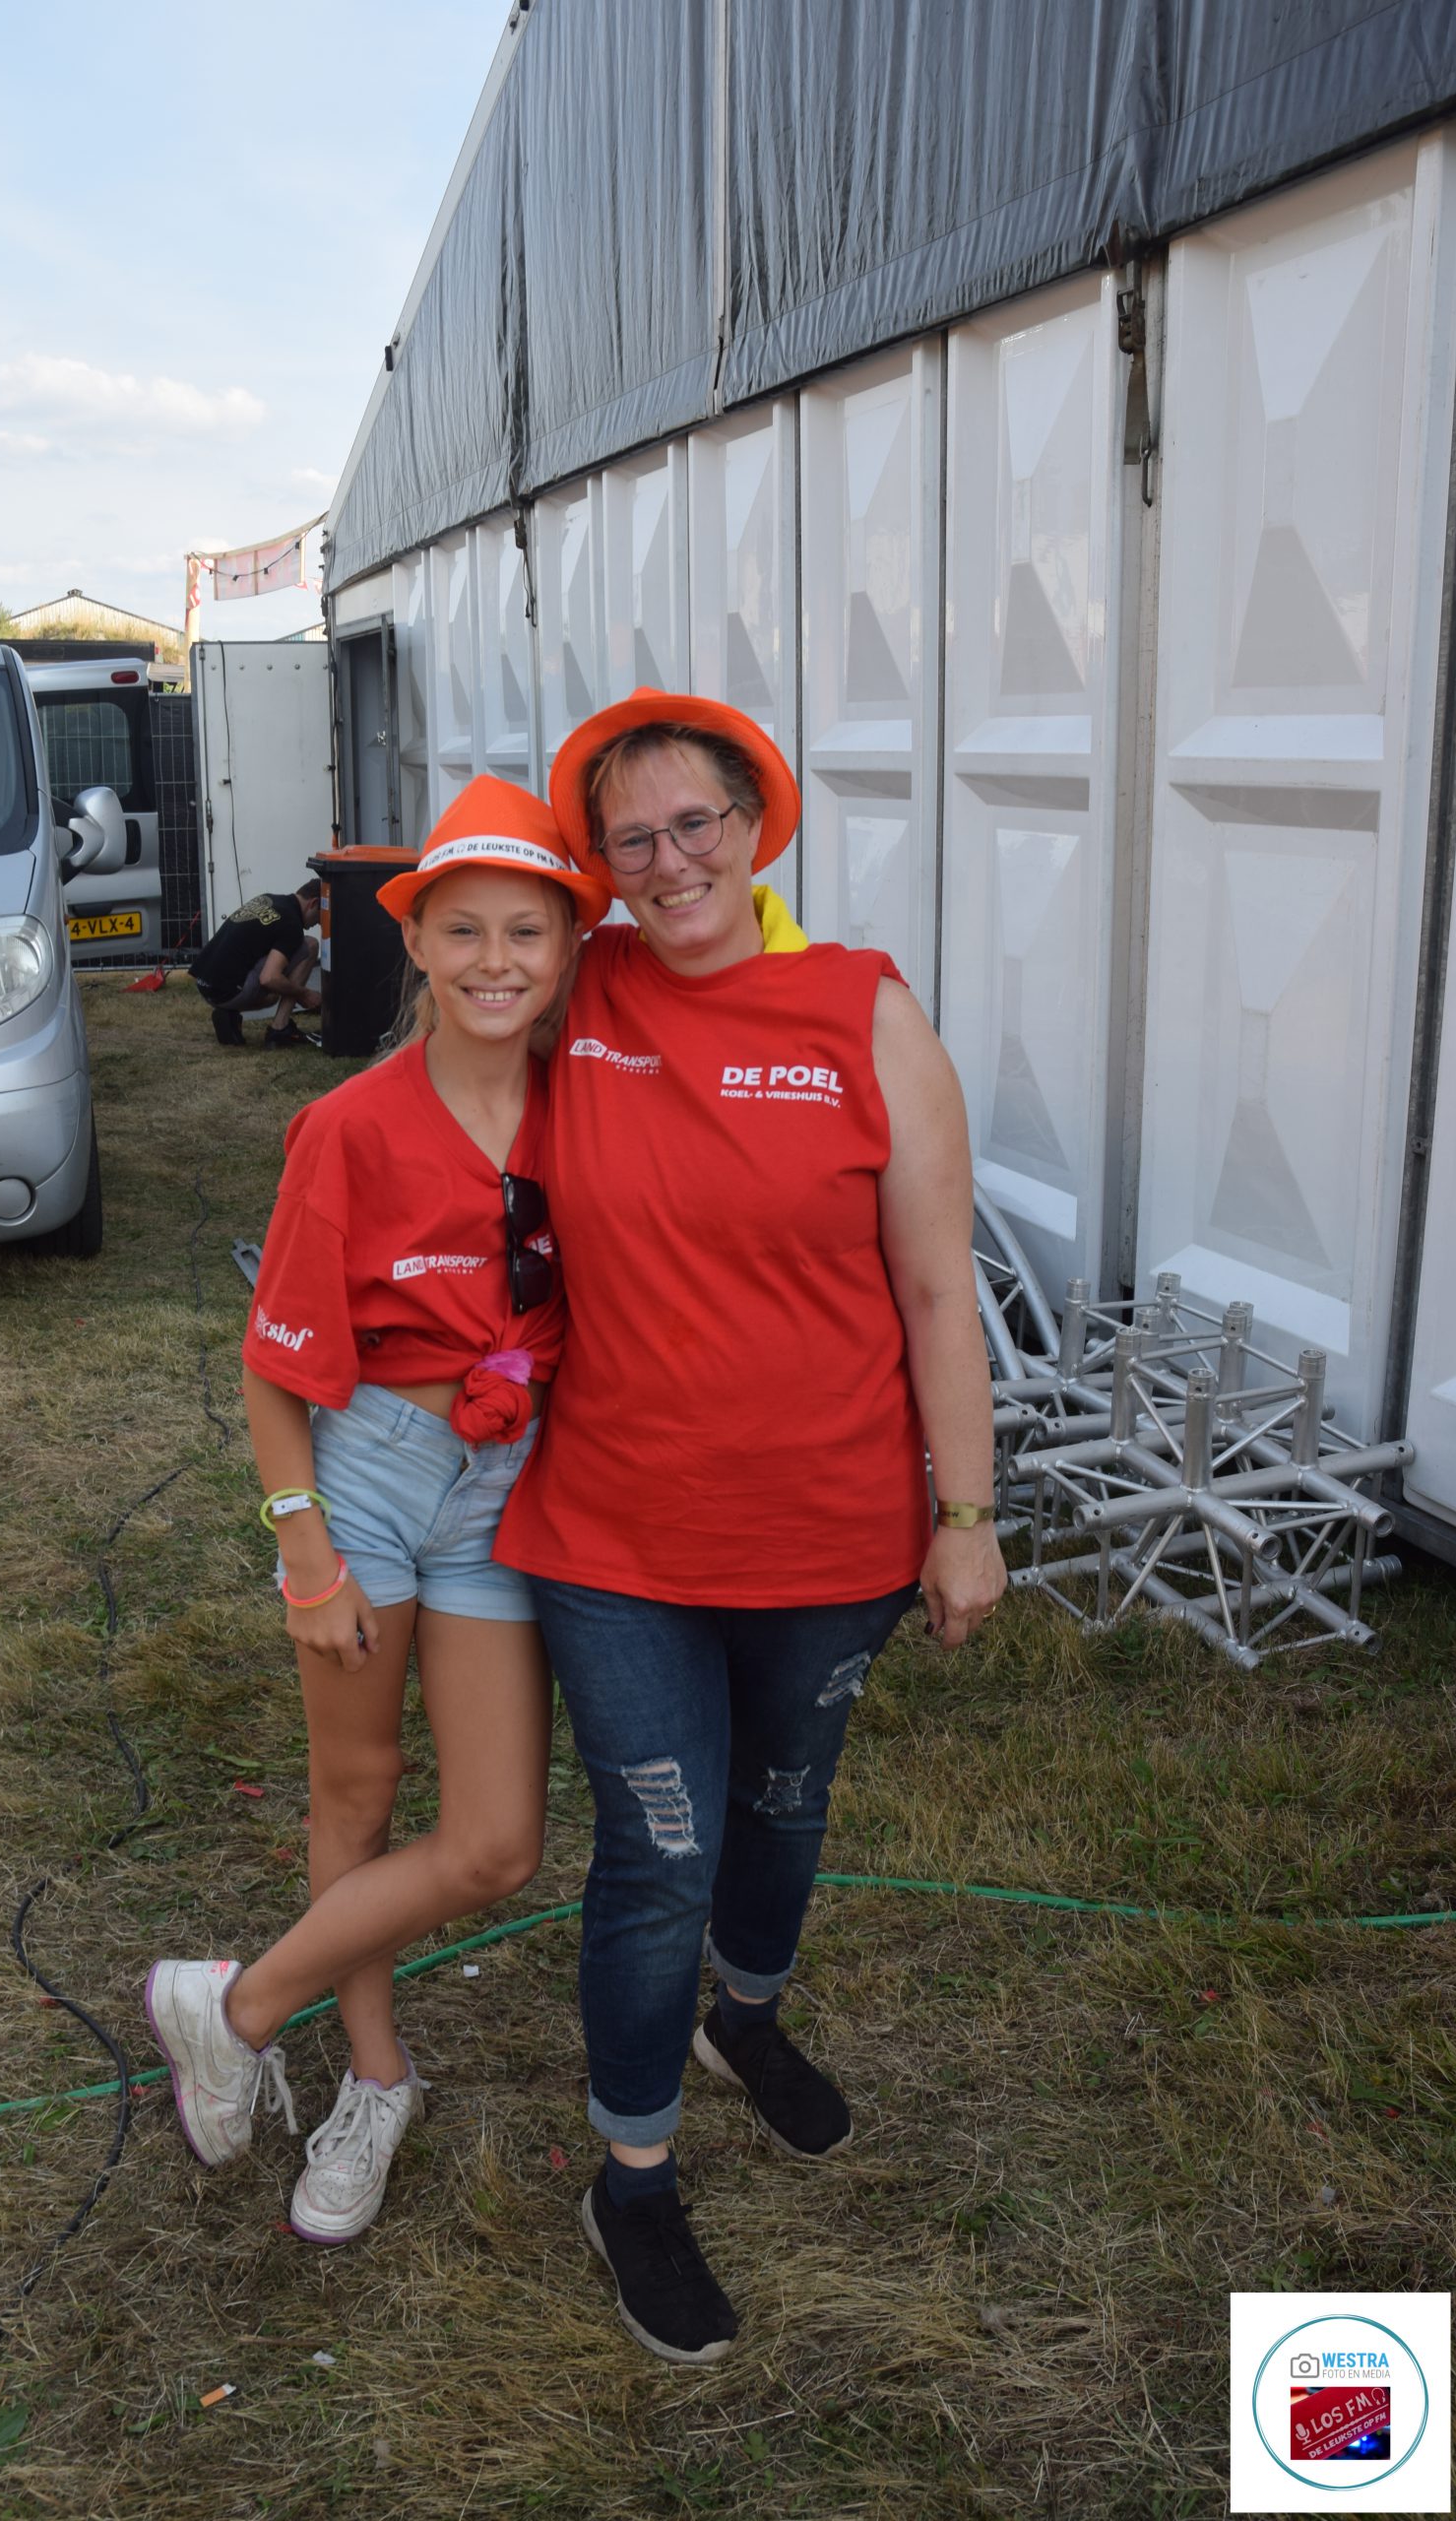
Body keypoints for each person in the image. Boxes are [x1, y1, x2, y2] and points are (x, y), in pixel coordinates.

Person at [493, 689, 1008, 2364]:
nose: (666, 864)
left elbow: (935, 1290)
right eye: (627, 840)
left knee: (783, 1809)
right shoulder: (575, 991)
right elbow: (434, 1069)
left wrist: (964, 1514)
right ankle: (632, 2178)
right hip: (615, 1532)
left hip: (830, 1528)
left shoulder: (864, 1011)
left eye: (691, 824)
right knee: (656, 1855)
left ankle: (749, 2020)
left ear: (752, 822)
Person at [145, 779, 608, 2243]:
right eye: (460, 929)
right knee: (355, 1790)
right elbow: (271, 1366)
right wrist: (307, 1550)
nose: (493, 961)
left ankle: (235, 2006)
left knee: (497, 1842)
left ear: (567, 947)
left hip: (511, 1482)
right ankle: (374, 2081)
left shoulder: (592, 1108)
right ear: (410, 941)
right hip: (373, 1477)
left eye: (525, 931)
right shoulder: (349, 1128)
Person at [190, 878, 323, 1048]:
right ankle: (279, 1029)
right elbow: (269, 978)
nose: (318, 923)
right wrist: (303, 993)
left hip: (205, 984)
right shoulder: (291, 923)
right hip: (228, 993)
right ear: (313, 903)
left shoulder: (268, 899)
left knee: (274, 993)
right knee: (310, 945)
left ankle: (228, 1014)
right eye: (321, 916)